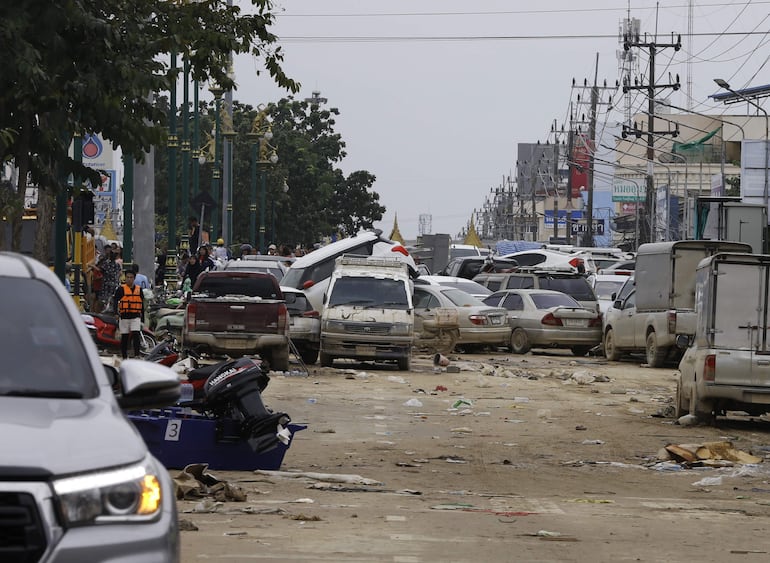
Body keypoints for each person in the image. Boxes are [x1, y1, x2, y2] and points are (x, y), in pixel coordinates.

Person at [113, 270, 144, 359]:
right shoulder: (121, 289)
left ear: (134, 278)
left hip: (135, 316)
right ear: (125, 278)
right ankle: (124, 356)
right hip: (124, 316)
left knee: (136, 334)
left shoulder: (139, 290)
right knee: (125, 337)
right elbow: (115, 301)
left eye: (131, 277)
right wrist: (115, 313)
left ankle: (137, 355)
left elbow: (142, 304)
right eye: (127, 277)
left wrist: (143, 318)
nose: (129, 279)